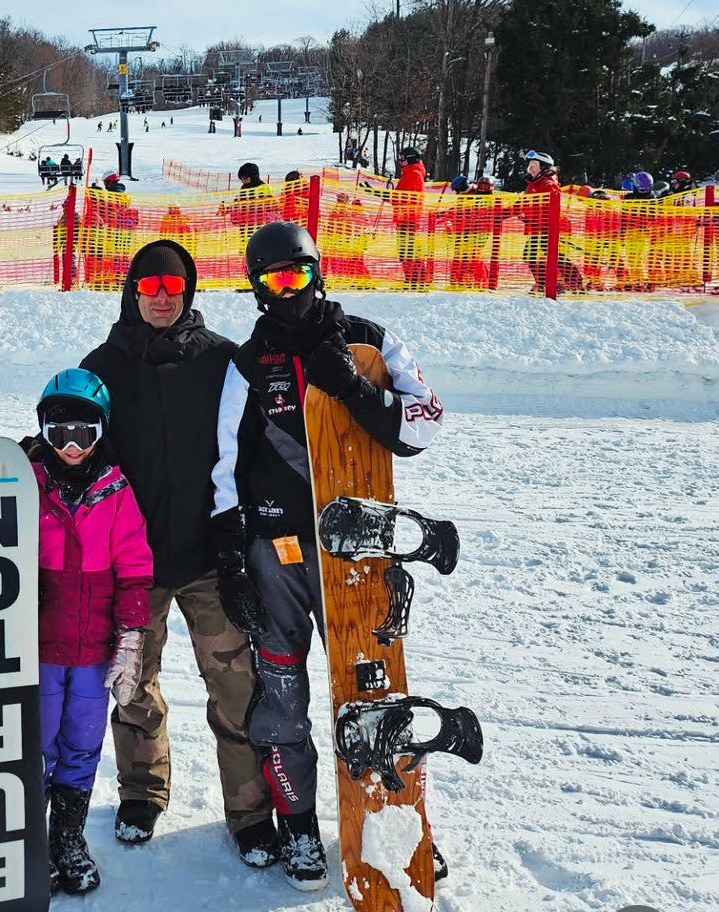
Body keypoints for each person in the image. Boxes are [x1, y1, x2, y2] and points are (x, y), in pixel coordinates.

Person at [211, 221, 443, 890]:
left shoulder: (368, 338)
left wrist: (356, 392)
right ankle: (301, 825)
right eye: (274, 280)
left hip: (360, 543)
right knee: (281, 686)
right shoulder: (248, 362)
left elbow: (425, 425)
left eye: (299, 275)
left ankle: (394, 818)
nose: (290, 292)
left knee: (374, 679)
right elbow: (224, 467)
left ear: (319, 271)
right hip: (280, 546)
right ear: (257, 288)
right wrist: (231, 559)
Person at [79, 240, 276, 867]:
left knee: (238, 690)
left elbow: (259, 444)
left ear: (187, 292)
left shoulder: (222, 361)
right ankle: (142, 791)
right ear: (133, 291)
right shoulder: (103, 366)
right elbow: (68, 444)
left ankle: (249, 812)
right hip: (133, 563)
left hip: (209, 560)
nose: (161, 300)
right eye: (149, 288)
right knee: (133, 682)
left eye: (172, 289)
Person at [0, 368, 153, 895]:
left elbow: (136, 571)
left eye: (85, 432)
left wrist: (131, 638)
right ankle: (29, 842)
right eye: (59, 432)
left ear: (102, 431)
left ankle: (68, 837)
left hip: (94, 654)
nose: (72, 445)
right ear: (43, 431)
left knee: (83, 746)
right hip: (38, 652)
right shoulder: (19, 484)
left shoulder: (116, 492)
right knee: (34, 746)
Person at [511, 150, 583, 293]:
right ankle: (552, 282)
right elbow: (524, 203)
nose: (530, 169)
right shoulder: (534, 183)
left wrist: (530, 217)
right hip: (537, 228)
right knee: (534, 254)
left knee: (544, 254)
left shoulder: (548, 184)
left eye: (533, 166)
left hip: (548, 228)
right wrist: (513, 212)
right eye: (529, 166)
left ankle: (568, 282)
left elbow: (548, 207)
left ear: (543, 167)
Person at [393, 146, 428, 289]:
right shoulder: (409, 173)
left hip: (409, 219)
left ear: (411, 159)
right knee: (406, 251)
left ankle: (416, 280)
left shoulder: (414, 174)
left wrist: (385, 195)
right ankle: (412, 279)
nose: (400, 161)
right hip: (404, 219)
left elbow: (402, 197)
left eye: (403, 159)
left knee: (409, 251)